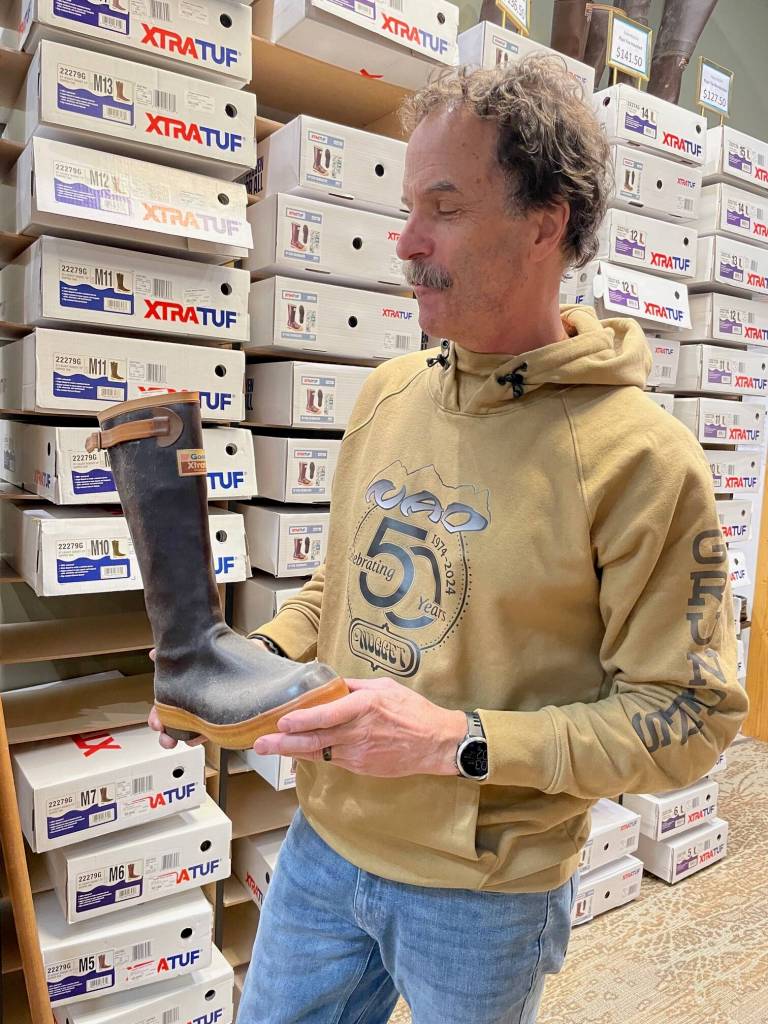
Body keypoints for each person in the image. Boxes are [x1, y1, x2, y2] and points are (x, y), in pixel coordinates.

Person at [150, 56, 748, 1024]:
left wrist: (459, 744)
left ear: (545, 220)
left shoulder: (641, 458)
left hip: (482, 895)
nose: (406, 242)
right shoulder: (391, 391)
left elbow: (684, 721)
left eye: (446, 207)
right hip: (323, 845)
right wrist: (234, 667)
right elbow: (334, 592)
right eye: (405, 207)